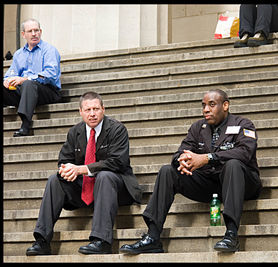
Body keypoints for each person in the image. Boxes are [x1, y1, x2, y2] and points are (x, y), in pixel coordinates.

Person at [119, 89, 262, 254]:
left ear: (225, 105)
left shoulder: (243, 124)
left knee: (233, 164)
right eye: (204, 106)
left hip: (242, 184)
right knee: (167, 171)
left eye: (211, 104)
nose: (206, 110)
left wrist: (207, 157)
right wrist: (183, 161)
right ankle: (152, 237)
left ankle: (231, 234)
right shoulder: (198, 127)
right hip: (210, 185)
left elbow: (245, 152)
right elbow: (179, 153)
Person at [26, 91, 142, 255]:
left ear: (104, 109)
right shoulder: (75, 132)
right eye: (88, 110)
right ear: (81, 112)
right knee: (55, 180)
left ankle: (101, 241)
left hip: (116, 189)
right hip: (86, 190)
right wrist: (67, 171)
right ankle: (42, 241)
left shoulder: (117, 129)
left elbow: (118, 162)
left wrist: (82, 169)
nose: (92, 114)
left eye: (96, 109)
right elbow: (63, 160)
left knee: (105, 175)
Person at [3, 18, 62, 137]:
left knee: (28, 84)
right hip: (26, 92)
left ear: (41, 31)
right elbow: (11, 73)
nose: (34, 34)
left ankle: (25, 125)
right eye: (30, 31)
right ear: (23, 34)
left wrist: (26, 79)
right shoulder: (19, 54)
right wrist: (7, 80)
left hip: (47, 91)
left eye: (36, 30)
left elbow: (50, 74)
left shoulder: (49, 50)